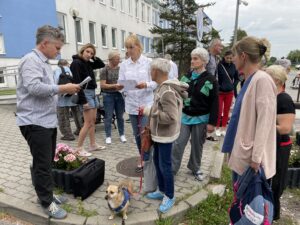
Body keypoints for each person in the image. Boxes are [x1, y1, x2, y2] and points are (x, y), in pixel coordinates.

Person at [16, 25, 81, 219]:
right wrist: (62, 88)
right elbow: (35, 88)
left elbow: (45, 88)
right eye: (57, 47)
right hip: (35, 122)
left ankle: (47, 195)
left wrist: (63, 89)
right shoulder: (30, 60)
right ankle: (46, 203)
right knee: (43, 165)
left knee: (43, 163)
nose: (59, 51)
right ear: (45, 43)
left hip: (45, 122)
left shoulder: (43, 62)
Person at [222, 36, 277, 183]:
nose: (232, 59)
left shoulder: (262, 80)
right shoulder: (249, 79)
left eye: (234, 55)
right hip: (242, 154)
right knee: (240, 201)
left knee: (248, 203)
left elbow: (264, 122)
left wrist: (256, 158)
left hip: (251, 160)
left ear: (243, 56)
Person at [142, 58, 188, 213]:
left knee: (165, 166)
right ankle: (161, 190)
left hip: (165, 136)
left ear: (156, 71)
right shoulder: (163, 87)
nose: (150, 73)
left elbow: (171, 117)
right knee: (157, 162)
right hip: (159, 135)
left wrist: (150, 111)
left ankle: (170, 195)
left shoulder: (167, 91)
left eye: (151, 70)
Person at [172, 47, 219, 181]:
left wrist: (212, 123)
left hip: (201, 118)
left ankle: (195, 167)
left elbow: (215, 102)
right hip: (185, 117)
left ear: (204, 61)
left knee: (197, 145)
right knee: (178, 144)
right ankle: (172, 169)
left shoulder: (210, 79)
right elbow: (177, 96)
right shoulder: (185, 77)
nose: (192, 61)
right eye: (191, 58)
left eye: (195, 58)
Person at [118, 34, 157, 172]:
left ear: (139, 47)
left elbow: (156, 82)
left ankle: (148, 159)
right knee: (136, 135)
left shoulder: (148, 62)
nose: (129, 50)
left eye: (131, 47)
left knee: (145, 133)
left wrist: (145, 84)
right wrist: (122, 88)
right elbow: (120, 83)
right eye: (127, 48)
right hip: (131, 104)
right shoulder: (124, 65)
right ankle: (143, 157)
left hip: (146, 104)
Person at [265, 65, 295, 221]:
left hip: (280, 148)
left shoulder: (284, 99)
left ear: (275, 80)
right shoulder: (273, 97)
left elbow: (285, 128)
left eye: (267, 77)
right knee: (268, 180)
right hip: (271, 145)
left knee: (276, 183)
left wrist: (263, 123)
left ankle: (273, 215)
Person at [70, 43, 106, 157]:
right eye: (87, 52)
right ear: (82, 51)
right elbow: (77, 84)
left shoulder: (88, 63)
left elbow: (101, 64)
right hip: (85, 94)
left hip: (92, 93)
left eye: (92, 53)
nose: (89, 55)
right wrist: (83, 101)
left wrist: (94, 58)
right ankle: (79, 148)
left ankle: (93, 144)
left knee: (93, 121)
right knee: (87, 123)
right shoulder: (76, 63)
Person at [100, 51, 126, 144]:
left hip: (119, 95)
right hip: (108, 95)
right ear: (111, 59)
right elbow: (102, 85)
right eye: (117, 58)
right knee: (108, 116)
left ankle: (122, 134)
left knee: (120, 116)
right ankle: (108, 136)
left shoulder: (121, 69)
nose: (119, 60)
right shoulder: (104, 69)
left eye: (119, 58)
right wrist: (115, 86)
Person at [54, 59, 82, 140]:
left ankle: (68, 134)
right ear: (67, 64)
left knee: (63, 117)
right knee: (77, 114)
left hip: (62, 98)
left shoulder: (57, 70)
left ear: (59, 65)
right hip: (73, 96)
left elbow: (55, 82)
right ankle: (80, 130)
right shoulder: (71, 70)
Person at [215, 50, 239, 137]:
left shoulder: (234, 66)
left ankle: (223, 128)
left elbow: (237, 78)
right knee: (219, 110)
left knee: (226, 111)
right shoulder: (220, 65)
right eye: (227, 58)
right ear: (224, 57)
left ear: (233, 58)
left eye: (231, 58)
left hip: (229, 92)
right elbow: (216, 77)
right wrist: (219, 87)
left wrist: (233, 85)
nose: (229, 59)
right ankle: (217, 127)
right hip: (220, 92)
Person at [205, 38, 223, 141]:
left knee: (211, 109)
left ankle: (206, 133)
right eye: (220, 45)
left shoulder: (216, 57)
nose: (222, 47)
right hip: (206, 88)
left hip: (213, 87)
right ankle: (201, 133)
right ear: (214, 46)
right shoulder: (206, 56)